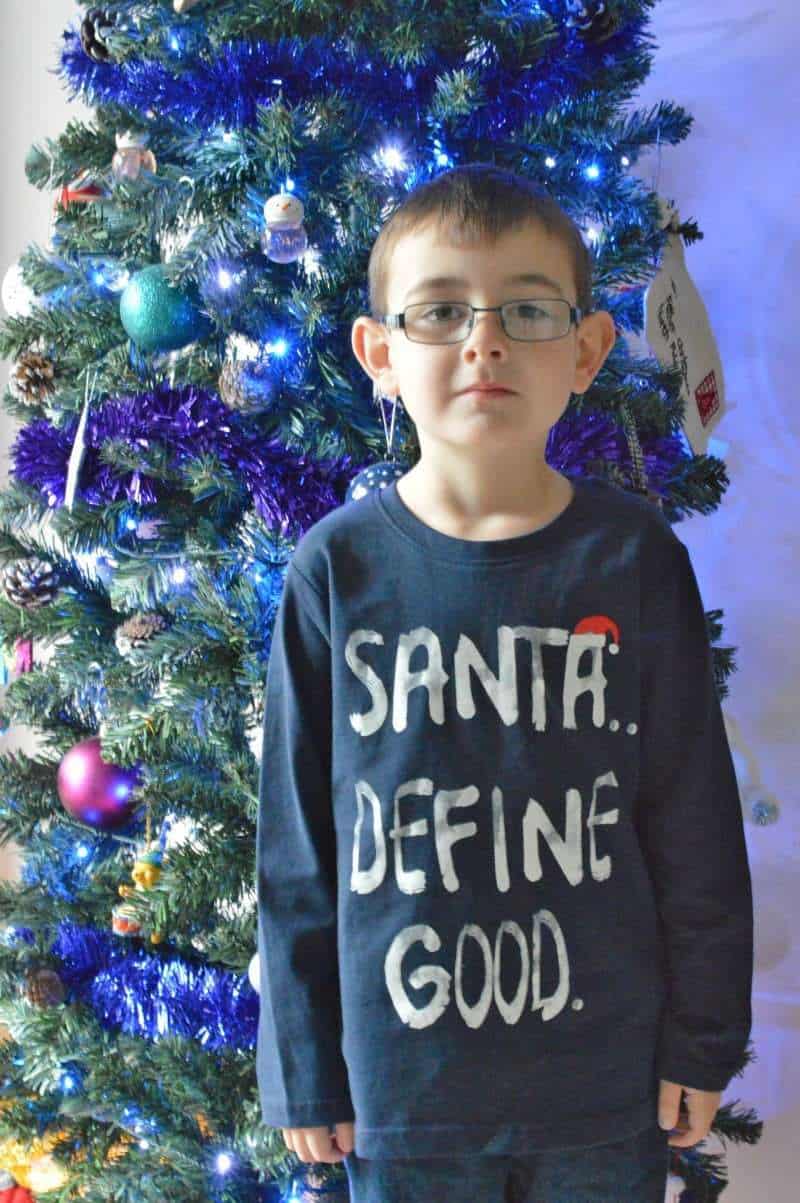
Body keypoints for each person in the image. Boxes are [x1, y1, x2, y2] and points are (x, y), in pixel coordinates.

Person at [255, 163, 754, 1203]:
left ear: (583, 352)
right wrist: (304, 1064)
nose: (481, 340)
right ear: (378, 354)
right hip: (403, 1091)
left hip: (602, 1089)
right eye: (438, 311)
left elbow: (691, 817)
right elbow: (298, 844)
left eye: (524, 309)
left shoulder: (632, 557)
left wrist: (701, 1039)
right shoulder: (335, 571)